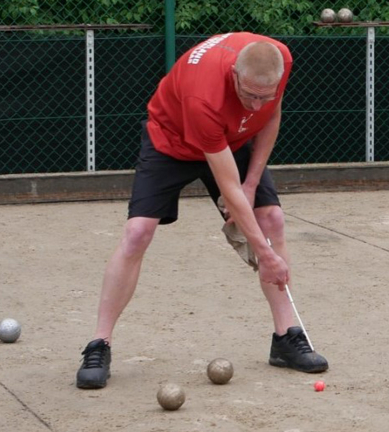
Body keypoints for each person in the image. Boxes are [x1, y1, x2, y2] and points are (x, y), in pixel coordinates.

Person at [75, 32, 328, 389]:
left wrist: (252, 182)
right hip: (171, 141)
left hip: (233, 139)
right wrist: (265, 254)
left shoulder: (278, 60)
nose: (255, 105)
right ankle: (99, 344)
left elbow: (270, 116)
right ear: (234, 75)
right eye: (249, 95)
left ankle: (286, 338)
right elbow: (228, 186)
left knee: (271, 217)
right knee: (137, 233)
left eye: (263, 96)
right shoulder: (203, 93)